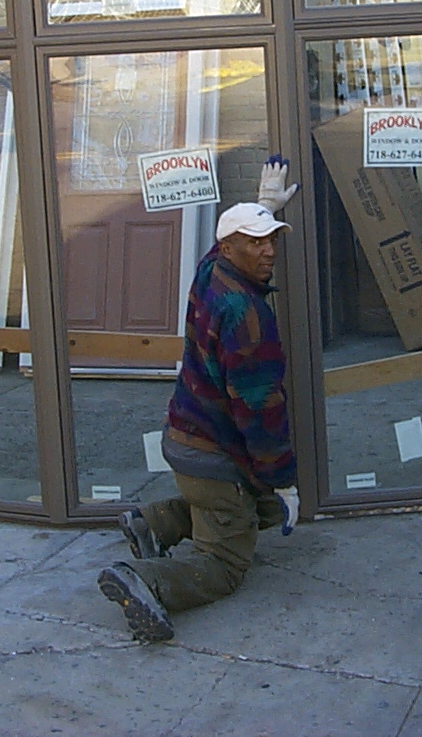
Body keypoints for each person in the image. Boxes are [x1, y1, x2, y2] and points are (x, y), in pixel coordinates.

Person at [98, 161, 299, 643]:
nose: (268, 251)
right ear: (232, 247)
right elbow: (259, 409)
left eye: (271, 239)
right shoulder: (246, 314)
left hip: (186, 435)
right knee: (228, 562)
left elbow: (224, 240)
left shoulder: (212, 270)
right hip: (211, 455)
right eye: (256, 242)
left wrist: (262, 209)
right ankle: (147, 581)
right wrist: (283, 480)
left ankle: (153, 524)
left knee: (239, 508)